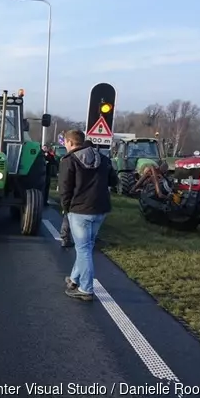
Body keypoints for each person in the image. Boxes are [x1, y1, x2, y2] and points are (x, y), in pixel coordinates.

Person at [59, 129, 118, 301]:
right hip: (101, 209)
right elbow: (114, 181)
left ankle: (86, 289)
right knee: (86, 247)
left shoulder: (69, 161)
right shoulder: (103, 159)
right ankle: (74, 279)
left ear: (69, 142)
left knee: (83, 249)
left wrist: (66, 208)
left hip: (79, 210)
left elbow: (65, 188)